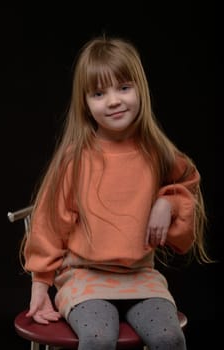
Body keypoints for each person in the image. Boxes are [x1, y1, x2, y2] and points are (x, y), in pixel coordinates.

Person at [22, 35, 211, 350]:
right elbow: (48, 224)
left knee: (168, 338)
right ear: (85, 101)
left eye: (124, 88)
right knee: (98, 339)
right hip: (84, 276)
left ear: (140, 89)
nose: (113, 101)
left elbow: (188, 184)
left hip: (140, 276)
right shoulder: (76, 157)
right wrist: (40, 286)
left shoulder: (157, 152)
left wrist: (167, 201)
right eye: (99, 93)